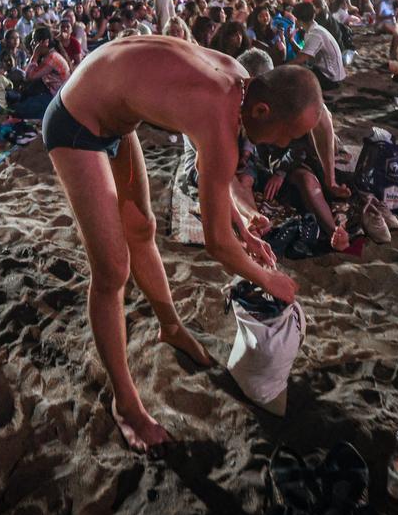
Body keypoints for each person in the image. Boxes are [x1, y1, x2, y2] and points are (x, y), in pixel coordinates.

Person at [42, 38, 315, 452]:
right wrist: (267, 278)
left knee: (143, 230)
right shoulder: (219, 115)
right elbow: (216, 243)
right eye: (286, 135)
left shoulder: (238, 79)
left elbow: (214, 174)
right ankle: (126, 405)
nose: (282, 147)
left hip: (113, 115)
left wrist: (244, 225)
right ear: (262, 110)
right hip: (75, 123)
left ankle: (170, 327)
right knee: (112, 269)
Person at [13, 26, 71, 119]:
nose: (32, 44)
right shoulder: (48, 56)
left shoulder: (52, 58)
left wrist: (35, 55)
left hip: (58, 99)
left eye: (34, 41)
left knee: (20, 110)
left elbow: (28, 77)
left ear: (45, 42)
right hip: (51, 94)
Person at [289, 1, 346, 90]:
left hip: (331, 78)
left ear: (298, 20)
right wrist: (292, 41)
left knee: (295, 76)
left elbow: (300, 59)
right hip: (328, 72)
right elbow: (304, 54)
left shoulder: (315, 34)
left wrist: (278, 70)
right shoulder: (313, 30)